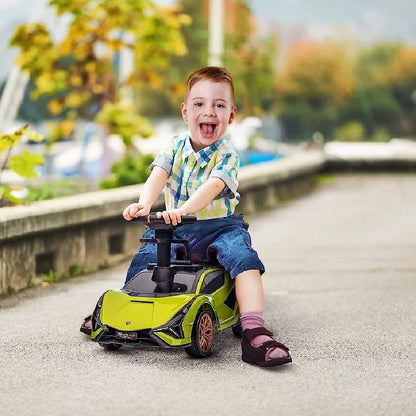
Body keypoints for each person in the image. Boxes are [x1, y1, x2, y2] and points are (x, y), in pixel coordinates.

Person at [82, 66, 291, 367]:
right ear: (185, 112)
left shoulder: (228, 154)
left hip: (218, 227)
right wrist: (144, 204)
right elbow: (158, 175)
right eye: (199, 104)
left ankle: (253, 330)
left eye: (219, 105)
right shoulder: (174, 145)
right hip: (173, 225)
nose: (209, 111)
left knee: (244, 260)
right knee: (145, 259)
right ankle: (124, 314)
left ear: (230, 116)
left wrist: (183, 210)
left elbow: (212, 187)